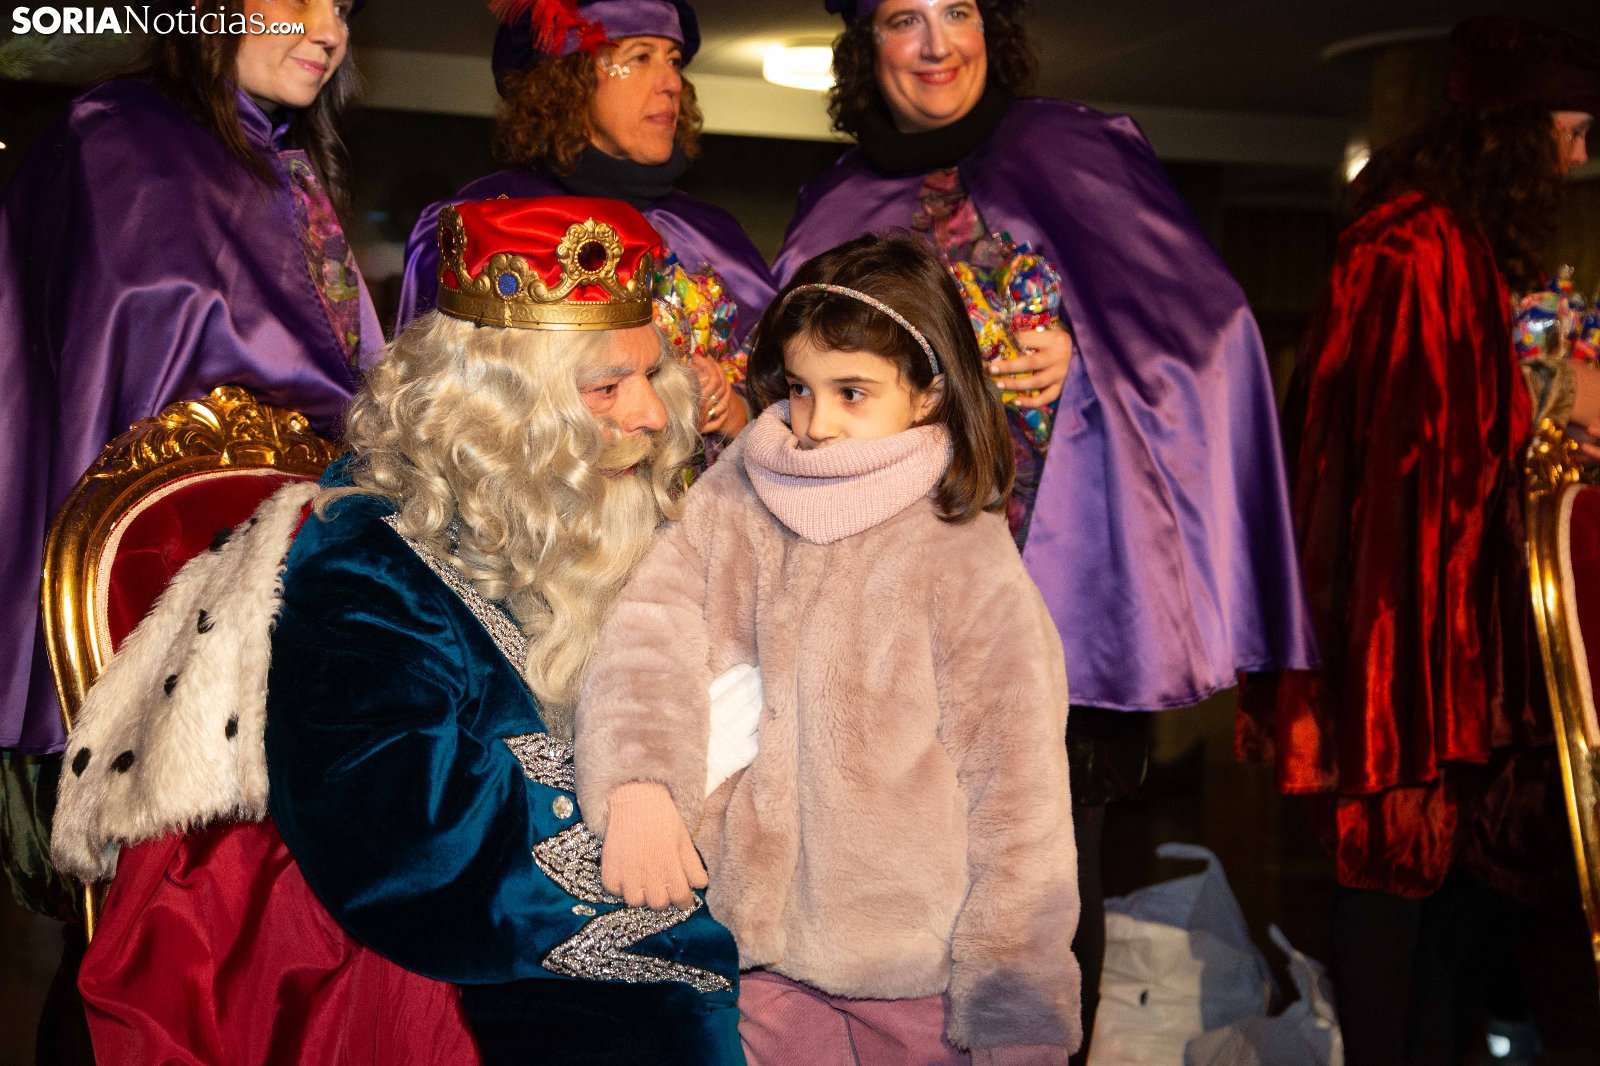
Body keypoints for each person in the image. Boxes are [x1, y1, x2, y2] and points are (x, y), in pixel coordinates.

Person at [49, 196, 746, 1065]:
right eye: (607, 388)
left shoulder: (605, 513)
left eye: (651, 375)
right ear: (500, 408)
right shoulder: (369, 561)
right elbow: (404, 829)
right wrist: (639, 816)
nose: (651, 415)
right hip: (451, 960)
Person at [774, 1, 1318, 1055]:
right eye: (904, 19)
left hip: (1048, 610)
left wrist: (1090, 358)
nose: (938, 45)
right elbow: (787, 388)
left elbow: (1211, 337)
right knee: (896, 896)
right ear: (866, 47)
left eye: (959, 10)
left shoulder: (1076, 150)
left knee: (1044, 895)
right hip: (882, 612)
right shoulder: (835, 199)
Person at [577, 235, 1082, 1065]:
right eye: (801, 388)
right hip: (752, 954)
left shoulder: (964, 551)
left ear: (928, 392)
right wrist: (638, 783)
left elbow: (1017, 792)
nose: (816, 424)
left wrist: (1015, 1004)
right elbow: (648, 631)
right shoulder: (737, 493)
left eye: (853, 392)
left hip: (917, 976)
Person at [0, 0, 382, 1053]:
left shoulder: (294, 171)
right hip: (142, 608)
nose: (328, 28)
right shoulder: (111, 139)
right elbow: (80, 383)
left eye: (345, 7)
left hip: (298, 598)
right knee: (147, 935)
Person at [1236, 17, 1600, 1066]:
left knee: (1453, 892)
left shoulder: (1451, 242)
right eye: (1569, 133)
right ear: (1516, 131)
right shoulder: (1411, 246)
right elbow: (1405, 465)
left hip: (1447, 623)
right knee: (1393, 878)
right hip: (1408, 627)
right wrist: (1554, 404)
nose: (1577, 158)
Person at [397, 0, 775, 448]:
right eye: (641, 56)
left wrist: (739, 410)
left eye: (674, 61)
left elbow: (791, 391)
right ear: (570, 81)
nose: (673, 83)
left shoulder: (715, 233)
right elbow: (429, 405)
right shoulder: (484, 219)